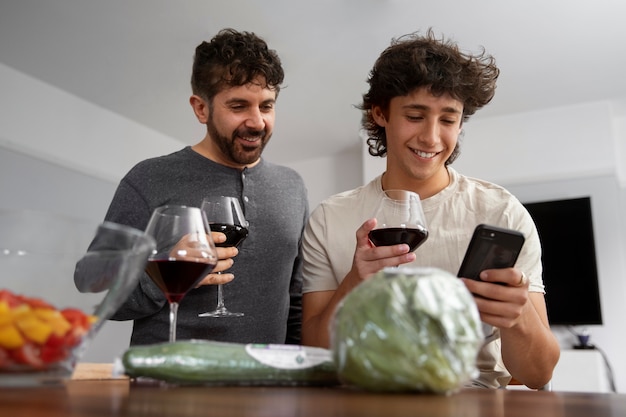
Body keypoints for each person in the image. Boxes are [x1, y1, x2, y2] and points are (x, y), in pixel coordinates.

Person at [300, 30, 559, 389]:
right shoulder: (329, 218)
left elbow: (539, 374)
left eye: (449, 119)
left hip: (473, 401)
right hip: (365, 399)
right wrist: (354, 284)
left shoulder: (503, 212)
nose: (431, 138)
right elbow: (314, 353)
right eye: (416, 115)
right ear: (380, 114)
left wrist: (518, 319)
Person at [102, 28, 308, 346]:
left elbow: (297, 302)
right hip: (167, 386)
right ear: (201, 108)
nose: (257, 122)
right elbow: (98, 287)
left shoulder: (292, 187)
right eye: (239, 106)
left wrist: (297, 378)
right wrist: (167, 274)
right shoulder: (148, 178)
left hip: (269, 386)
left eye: (266, 106)